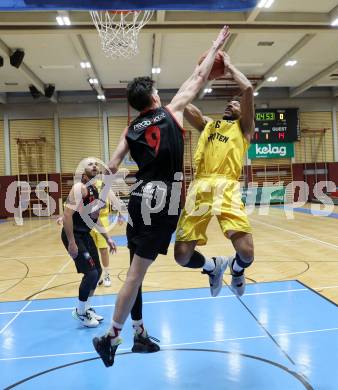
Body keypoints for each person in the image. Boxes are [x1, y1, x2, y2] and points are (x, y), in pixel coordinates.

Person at [92, 25, 231, 367]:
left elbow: (109, 167)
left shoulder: (130, 129)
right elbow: (199, 75)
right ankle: (112, 337)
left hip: (139, 199)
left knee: (135, 270)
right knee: (137, 275)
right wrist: (215, 44)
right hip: (164, 201)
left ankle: (139, 335)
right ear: (153, 97)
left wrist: (108, 193)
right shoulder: (172, 110)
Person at [174, 51, 255, 297]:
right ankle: (213, 267)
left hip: (227, 188)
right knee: (181, 256)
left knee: (247, 252)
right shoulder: (208, 124)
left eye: (236, 103)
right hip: (200, 188)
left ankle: (237, 270)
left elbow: (248, 89)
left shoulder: (244, 129)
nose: (231, 104)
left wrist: (229, 66)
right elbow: (183, 102)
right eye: (229, 103)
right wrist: (201, 73)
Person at [61, 158, 116, 327]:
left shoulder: (94, 190)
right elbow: (67, 215)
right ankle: (80, 311)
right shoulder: (79, 188)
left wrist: (108, 238)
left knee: (98, 271)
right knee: (91, 273)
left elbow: (94, 219)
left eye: (96, 164)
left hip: (85, 234)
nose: (94, 166)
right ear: (82, 171)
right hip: (74, 236)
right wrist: (71, 242)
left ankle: (87, 308)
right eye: (90, 164)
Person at [90, 178, 112, 287]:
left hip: (102, 219)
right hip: (88, 221)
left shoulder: (102, 185)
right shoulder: (83, 186)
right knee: (91, 250)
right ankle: (96, 275)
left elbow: (107, 203)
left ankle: (107, 274)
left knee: (103, 249)